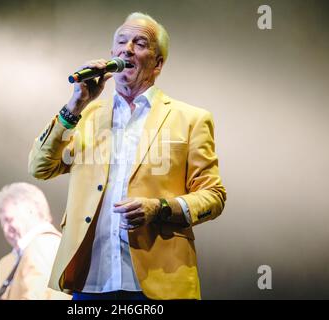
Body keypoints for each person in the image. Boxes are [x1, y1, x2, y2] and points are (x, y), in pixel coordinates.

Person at [28, 12, 227, 300]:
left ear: (157, 63)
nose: (127, 49)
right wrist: (75, 103)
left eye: (140, 43)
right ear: (111, 56)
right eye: (121, 42)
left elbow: (214, 195)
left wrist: (159, 207)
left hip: (159, 283)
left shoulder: (190, 118)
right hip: (91, 279)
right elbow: (39, 167)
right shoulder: (85, 116)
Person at [0, 182, 71, 300]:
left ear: (31, 211)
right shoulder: (6, 262)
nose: (6, 229)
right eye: (2, 224)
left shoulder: (46, 244)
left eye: (9, 220)